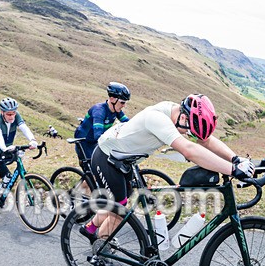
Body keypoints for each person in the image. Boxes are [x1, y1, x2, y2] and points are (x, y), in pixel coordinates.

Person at [81, 94, 254, 251]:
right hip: (106, 155)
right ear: (184, 117)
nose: (188, 133)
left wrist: (236, 159)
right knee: (120, 208)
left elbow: (205, 141)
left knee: (121, 206)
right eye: (188, 129)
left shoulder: (178, 114)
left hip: (124, 159)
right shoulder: (158, 119)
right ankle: (101, 246)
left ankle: (90, 229)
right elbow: (189, 150)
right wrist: (232, 170)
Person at [74, 82, 131, 172]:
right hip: (84, 142)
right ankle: (81, 186)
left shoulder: (116, 110)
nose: (124, 105)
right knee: (94, 172)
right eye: (122, 102)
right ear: (112, 99)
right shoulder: (99, 111)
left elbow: (128, 124)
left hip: (95, 141)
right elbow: (98, 135)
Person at [0, 97, 38, 189]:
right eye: (8, 114)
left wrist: (32, 140)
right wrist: (4, 149)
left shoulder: (16, 116)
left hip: (7, 151)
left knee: (8, 177)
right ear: (2, 112)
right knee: (8, 176)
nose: (12, 116)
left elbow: (24, 127)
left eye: (13, 113)